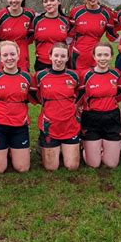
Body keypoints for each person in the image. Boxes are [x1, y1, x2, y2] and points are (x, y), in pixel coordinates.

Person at [0, 41, 32, 173]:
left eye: (12, 54)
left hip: (19, 125)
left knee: (22, 168)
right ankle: (1, 149)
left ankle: (13, 149)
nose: (9, 58)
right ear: (0, 57)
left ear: (18, 55)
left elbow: (37, 97)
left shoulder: (27, 78)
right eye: (5, 55)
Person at [34, 43, 80, 171]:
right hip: (50, 125)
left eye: (63, 56)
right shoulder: (40, 76)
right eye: (56, 55)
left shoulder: (74, 76)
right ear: (50, 57)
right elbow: (34, 95)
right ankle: (44, 145)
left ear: (67, 58)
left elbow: (80, 94)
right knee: (51, 167)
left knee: (72, 166)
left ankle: (67, 147)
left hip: (69, 124)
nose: (59, 59)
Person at [78, 42, 121, 168]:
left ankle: (103, 148)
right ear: (94, 56)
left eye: (106, 55)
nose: (103, 58)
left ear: (111, 56)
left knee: (111, 164)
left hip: (112, 117)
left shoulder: (116, 74)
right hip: (91, 118)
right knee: (94, 164)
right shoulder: (86, 75)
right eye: (99, 55)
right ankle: (86, 149)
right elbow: (80, 97)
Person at [69, 0, 116, 70]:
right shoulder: (76, 12)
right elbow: (68, 35)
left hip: (97, 55)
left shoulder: (107, 13)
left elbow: (112, 36)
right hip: (78, 55)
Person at [0, 0, 35, 71]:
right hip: (3, 56)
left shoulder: (30, 14)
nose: (13, 0)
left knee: (22, 81)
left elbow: (31, 36)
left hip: (22, 56)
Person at [32, 0, 70, 71]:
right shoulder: (36, 21)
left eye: (52, 0)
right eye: (45, 1)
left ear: (59, 1)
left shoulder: (66, 21)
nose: (49, 3)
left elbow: (70, 41)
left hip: (61, 63)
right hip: (41, 63)